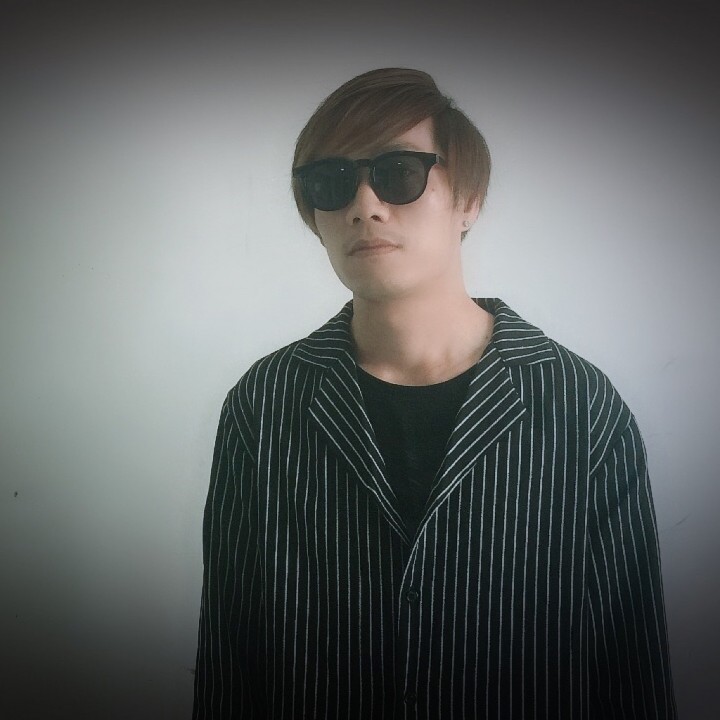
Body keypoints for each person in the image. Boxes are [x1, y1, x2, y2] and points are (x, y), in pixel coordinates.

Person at [191, 68, 677, 719]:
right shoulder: (266, 405)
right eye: (331, 182)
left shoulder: (578, 405)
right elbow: (230, 659)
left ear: (468, 199)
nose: (365, 206)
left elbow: (632, 666)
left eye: (398, 173)